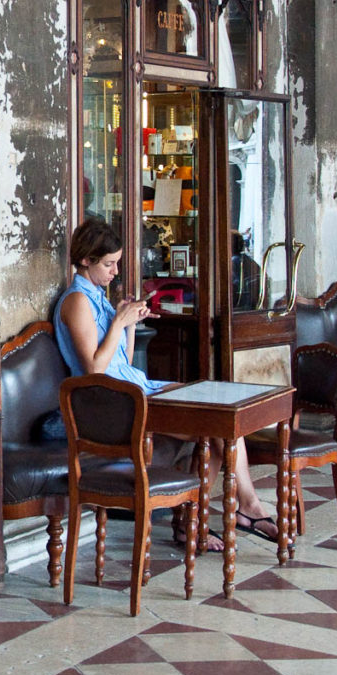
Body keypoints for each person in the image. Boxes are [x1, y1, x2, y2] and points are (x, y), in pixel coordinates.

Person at [54, 217, 279, 547]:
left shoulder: (97, 297)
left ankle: (208, 516)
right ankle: (221, 514)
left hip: (132, 388)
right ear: (86, 260)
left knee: (220, 416)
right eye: (109, 264)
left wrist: (130, 324)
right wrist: (119, 322)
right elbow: (94, 371)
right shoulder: (76, 301)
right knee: (215, 426)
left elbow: (123, 363)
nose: (115, 272)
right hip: (110, 403)